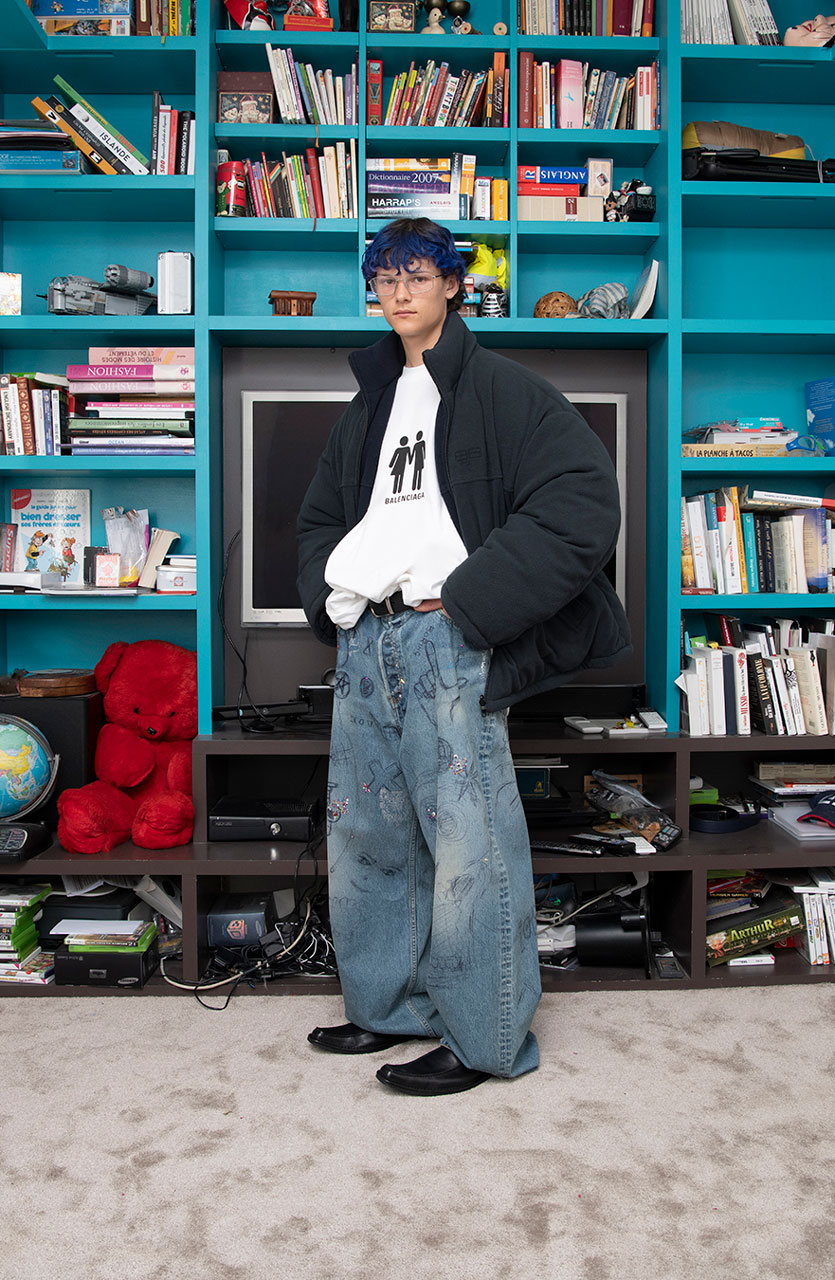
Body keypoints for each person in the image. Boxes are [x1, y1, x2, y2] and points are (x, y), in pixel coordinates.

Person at [297, 217, 630, 1096]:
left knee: (468, 848)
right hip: (367, 639)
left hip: (447, 640)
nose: (398, 292)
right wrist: (333, 600)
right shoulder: (371, 402)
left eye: (417, 275)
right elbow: (319, 518)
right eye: (384, 279)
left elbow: (582, 502)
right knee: (367, 838)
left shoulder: (503, 389)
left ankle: (485, 1041)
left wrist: (470, 598)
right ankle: (391, 1009)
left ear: (452, 284)